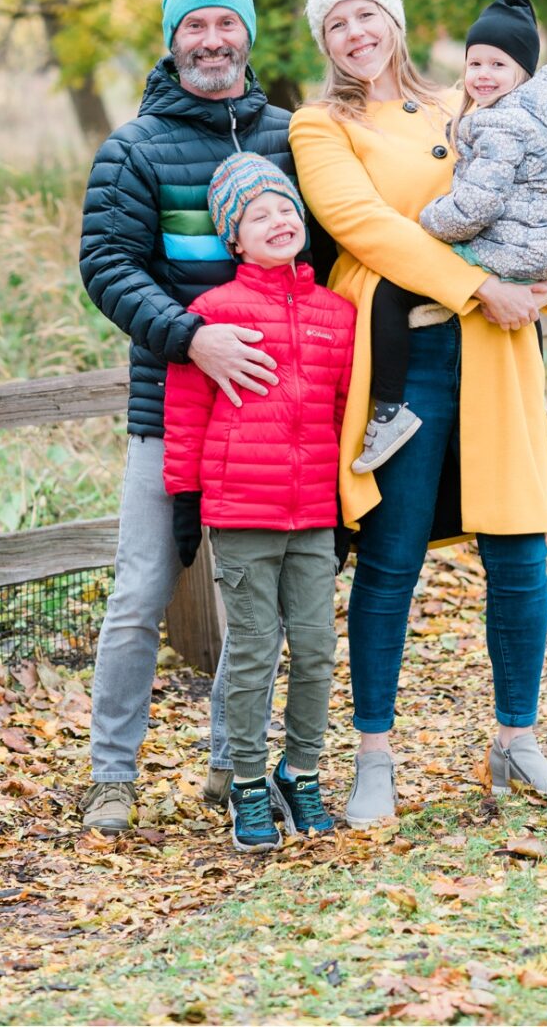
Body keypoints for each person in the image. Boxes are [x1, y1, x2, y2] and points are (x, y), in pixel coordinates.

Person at [288, 0, 547, 829]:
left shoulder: (467, 101)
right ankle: (374, 754)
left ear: (395, 18)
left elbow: (546, 186)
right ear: (325, 41)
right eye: (338, 23)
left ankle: (517, 741)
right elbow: (363, 228)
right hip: (402, 360)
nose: (357, 33)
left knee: (518, 551)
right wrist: (472, 286)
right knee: (391, 558)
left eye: (368, 15)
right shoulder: (320, 126)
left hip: (497, 351)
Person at [78, 0, 295, 834]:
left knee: (260, 597)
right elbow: (107, 266)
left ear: (248, 34)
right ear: (172, 41)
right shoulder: (132, 149)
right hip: (166, 408)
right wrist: (193, 337)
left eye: (225, 25)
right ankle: (111, 778)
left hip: (273, 410)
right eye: (193, 27)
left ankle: (231, 767)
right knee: (140, 591)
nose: (212, 42)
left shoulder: (289, 139)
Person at [163, 153, 355, 851]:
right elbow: (185, 414)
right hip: (242, 514)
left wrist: (344, 511)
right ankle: (246, 783)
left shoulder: (339, 314)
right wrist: (186, 499)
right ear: (232, 239)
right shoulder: (211, 316)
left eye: (286, 207)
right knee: (251, 651)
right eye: (257, 214)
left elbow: (341, 414)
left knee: (315, 648)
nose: (278, 219)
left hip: (313, 515)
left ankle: (298, 771)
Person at [353, 0, 547, 473]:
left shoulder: (500, 125)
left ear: (522, 72)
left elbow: (477, 204)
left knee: (390, 293)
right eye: (475, 64)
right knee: (518, 300)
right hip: (546, 247)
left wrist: (430, 221)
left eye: (498, 66)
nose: (483, 75)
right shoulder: (544, 118)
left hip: (512, 247)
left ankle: (387, 411)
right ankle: (536, 393)